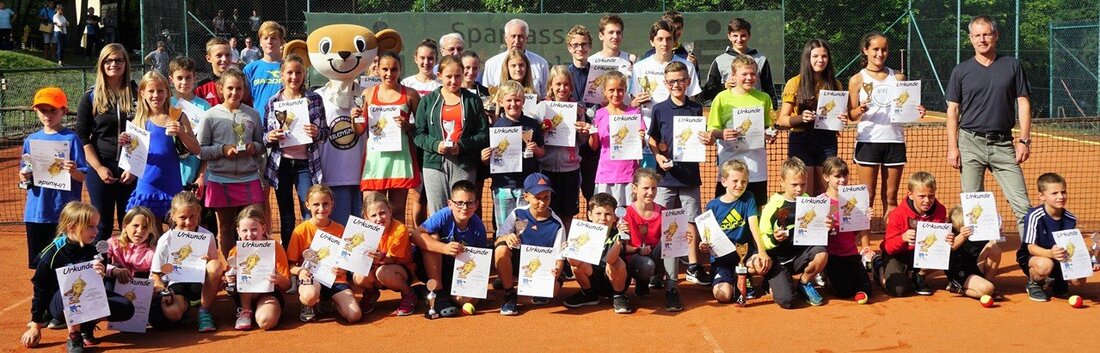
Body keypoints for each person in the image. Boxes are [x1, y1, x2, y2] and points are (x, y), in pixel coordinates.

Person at [946, 15, 1032, 230]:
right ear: (970, 38)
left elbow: (1023, 103)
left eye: (986, 34)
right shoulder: (961, 71)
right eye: (977, 35)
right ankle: (975, 258)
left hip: (1003, 144)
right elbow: (953, 110)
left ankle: (1030, 255)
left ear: (996, 36)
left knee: (1023, 206)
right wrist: (953, 147)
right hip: (970, 143)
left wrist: (1024, 140)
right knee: (972, 206)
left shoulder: (1012, 65)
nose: (982, 39)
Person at [21, 202, 135, 353]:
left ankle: (86, 328)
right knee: (75, 288)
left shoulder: (97, 251)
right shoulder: (51, 254)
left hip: (86, 296)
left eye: (96, 226)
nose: (96, 231)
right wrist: (36, 325)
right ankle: (74, 336)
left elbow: (95, 289)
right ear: (71, 227)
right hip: (59, 302)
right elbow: (40, 290)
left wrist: (99, 275)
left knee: (126, 307)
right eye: (90, 226)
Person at [848, 32, 926, 220]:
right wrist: (861, 109)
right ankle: (865, 242)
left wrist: (918, 111)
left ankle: (889, 242)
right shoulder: (857, 80)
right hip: (868, 142)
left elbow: (907, 107)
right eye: (875, 49)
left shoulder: (898, 77)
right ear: (865, 50)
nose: (880, 54)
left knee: (891, 199)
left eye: (884, 49)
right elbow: (851, 115)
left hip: (895, 141)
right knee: (867, 197)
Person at [646, 61, 708, 286]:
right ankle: (658, 269)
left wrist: (705, 139)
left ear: (688, 81)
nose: (677, 84)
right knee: (662, 220)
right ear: (665, 83)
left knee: (691, 220)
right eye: (672, 81)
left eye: (681, 80)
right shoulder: (658, 109)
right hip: (665, 178)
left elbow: (700, 137)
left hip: (690, 176)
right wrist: (658, 157)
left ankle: (692, 266)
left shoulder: (696, 109)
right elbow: (652, 138)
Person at [196, 68, 265, 257]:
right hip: (220, 179)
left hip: (249, 177)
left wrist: (254, 147)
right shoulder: (210, 116)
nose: (234, 93)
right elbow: (200, 150)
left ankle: (255, 268)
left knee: (256, 225)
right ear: (220, 89)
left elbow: (262, 144)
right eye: (230, 88)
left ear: (244, 90)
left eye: (239, 89)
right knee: (225, 229)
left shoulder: (253, 115)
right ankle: (230, 271)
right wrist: (223, 149)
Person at [75, 43, 138, 242]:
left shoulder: (139, 93)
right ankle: (100, 269)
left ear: (125, 63)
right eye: (108, 60)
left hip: (132, 169)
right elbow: (83, 136)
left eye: (118, 60)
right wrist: (99, 168)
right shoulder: (90, 97)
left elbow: (147, 132)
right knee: (101, 225)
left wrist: (134, 167)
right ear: (102, 64)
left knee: (131, 223)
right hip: (101, 168)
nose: (113, 64)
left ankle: (128, 271)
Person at [21, 87, 89, 269]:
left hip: (64, 215)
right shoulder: (30, 140)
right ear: (36, 111)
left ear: (64, 111)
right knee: (40, 266)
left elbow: (82, 176)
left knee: (64, 266)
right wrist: (24, 177)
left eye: (53, 110)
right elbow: (25, 180)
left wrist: (73, 170)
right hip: (37, 213)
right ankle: (41, 297)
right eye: (43, 110)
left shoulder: (72, 139)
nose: (47, 115)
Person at [413, 55, 488, 215]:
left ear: (463, 75)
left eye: (457, 76)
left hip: (464, 164)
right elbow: (418, 134)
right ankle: (438, 240)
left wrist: (461, 147)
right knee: (437, 212)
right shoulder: (427, 101)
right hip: (434, 164)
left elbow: (483, 134)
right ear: (439, 76)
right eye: (448, 76)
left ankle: (462, 241)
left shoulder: (473, 101)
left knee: (463, 210)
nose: (453, 81)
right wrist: (435, 145)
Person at [262, 54, 323, 244]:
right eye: (289, 73)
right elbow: (265, 134)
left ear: (304, 74)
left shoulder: (314, 99)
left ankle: (309, 256)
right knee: (286, 215)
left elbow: (325, 133)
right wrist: (270, 137)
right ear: (282, 75)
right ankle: (289, 257)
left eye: (298, 72)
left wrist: (317, 132)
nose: (294, 77)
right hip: (282, 165)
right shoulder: (273, 102)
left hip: (307, 164)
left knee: (309, 211)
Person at [122, 71, 200, 220]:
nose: (156, 95)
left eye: (160, 91)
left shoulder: (178, 116)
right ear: (142, 93)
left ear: (167, 92)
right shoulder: (138, 121)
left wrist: (181, 133)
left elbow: (196, 149)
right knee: (149, 232)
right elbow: (134, 157)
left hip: (171, 183)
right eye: (151, 91)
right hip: (147, 184)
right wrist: (125, 147)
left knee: (175, 229)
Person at [778, 39, 848, 197]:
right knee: (805, 190)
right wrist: (801, 118)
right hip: (801, 140)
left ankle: (826, 222)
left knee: (825, 189)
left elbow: (839, 118)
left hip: (827, 140)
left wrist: (842, 119)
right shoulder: (795, 83)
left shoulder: (835, 84)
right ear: (807, 58)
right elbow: (782, 120)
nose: (820, 60)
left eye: (824, 56)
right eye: (815, 56)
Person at [360, 51, 422, 225]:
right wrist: (354, 117)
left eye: (394, 69)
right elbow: (359, 129)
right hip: (376, 160)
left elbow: (422, 128)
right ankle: (371, 250)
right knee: (371, 212)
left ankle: (398, 251)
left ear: (400, 69)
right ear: (377, 70)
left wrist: (408, 126)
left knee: (397, 212)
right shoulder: (368, 94)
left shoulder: (410, 95)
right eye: (385, 69)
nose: (389, 74)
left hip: (399, 159)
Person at [411, 180, 488, 318]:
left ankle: (426, 291)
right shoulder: (443, 215)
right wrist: (444, 248)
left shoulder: (478, 227)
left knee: (469, 301)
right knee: (432, 235)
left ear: (476, 205)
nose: (464, 207)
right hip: (428, 266)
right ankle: (439, 293)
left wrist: (477, 287)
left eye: (469, 203)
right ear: (450, 203)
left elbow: (481, 260)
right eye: (459, 203)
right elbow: (415, 234)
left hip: (455, 271)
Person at [758, 157, 829, 308]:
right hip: (779, 260)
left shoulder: (808, 200)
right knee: (787, 301)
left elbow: (815, 230)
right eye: (794, 184)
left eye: (803, 184)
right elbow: (762, 237)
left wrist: (827, 227)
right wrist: (775, 239)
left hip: (799, 256)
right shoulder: (772, 206)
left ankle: (805, 282)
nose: (799, 189)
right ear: (782, 182)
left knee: (821, 253)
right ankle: (771, 281)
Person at [631, 20, 702, 169]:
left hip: (679, 139)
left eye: (669, 39)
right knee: (649, 186)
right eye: (660, 39)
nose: (665, 43)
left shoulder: (687, 66)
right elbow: (632, 105)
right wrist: (636, 102)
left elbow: (692, 101)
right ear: (652, 42)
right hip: (649, 138)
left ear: (674, 42)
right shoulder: (639, 67)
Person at [491, 173, 566, 315]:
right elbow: (498, 239)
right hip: (519, 263)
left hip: (542, 269)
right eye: (537, 198)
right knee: (501, 249)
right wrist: (508, 237)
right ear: (526, 197)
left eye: (546, 197)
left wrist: (556, 271)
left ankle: (512, 285)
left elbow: (559, 257)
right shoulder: (517, 213)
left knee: (552, 292)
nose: (542, 202)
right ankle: (509, 293)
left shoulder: (557, 224)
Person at [150, 191, 223, 332]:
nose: (188, 222)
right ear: (173, 216)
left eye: (193, 216)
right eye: (183, 217)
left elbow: (214, 266)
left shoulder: (207, 236)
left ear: (199, 214)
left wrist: (208, 261)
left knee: (215, 265)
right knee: (173, 313)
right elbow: (156, 274)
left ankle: (204, 311)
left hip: (200, 285)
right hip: (176, 285)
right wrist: (164, 293)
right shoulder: (166, 240)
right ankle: (184, 308)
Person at [706, 55, 773, 206]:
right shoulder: (722, 98)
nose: (749, 78)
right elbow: (712, 130)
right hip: (729, 165)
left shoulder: (764, 98)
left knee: (755, 210)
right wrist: (722, 134)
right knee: (727, 209)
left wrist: (769, 135)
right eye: (744, 74)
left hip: (756, 168)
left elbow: (768, 127)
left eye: (753, 73)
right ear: (734, 75)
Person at [288, 185, 361, 323]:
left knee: (354, 315)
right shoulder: (300, 231)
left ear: (332, 204)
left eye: (325, 204)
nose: (321, 209)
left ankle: (328, 300)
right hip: (311, 279)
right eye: (316, 204)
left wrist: (343, 269)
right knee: (310, 295)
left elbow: (347, 259)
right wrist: (300, 271)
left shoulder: (340, 229)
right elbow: (291, 265)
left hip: (335, 279)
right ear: (307, 205)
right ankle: (308, 304)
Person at [1018, 173, 1095, 301]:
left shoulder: (1070, 219)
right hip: (1034, 257)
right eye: (1054, 193)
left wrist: (1086, 258)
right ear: (1042, 196)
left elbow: (1071, 246)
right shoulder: (1034, 216)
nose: (1061, 196)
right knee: (1045, 265)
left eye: (1063, 192)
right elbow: (1030, 248)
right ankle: (1034, 282)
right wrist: (1050, 253)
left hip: (1060, 257)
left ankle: (1058, 280)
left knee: (1079, 280)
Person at [704, 160, 770, 305]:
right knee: (723, 296)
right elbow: (707, 236)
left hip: (744, 254)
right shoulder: (712, 206)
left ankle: (744, 277)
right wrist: (704, 245)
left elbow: (754, 226)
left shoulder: (748, 198)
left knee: (761, 264)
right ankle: (728, 278)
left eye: (744, 181)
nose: (740, 185)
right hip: (721, 259)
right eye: (735, 181)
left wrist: (761, 251)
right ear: (724, 181)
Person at [874, 171, 949, 297]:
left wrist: (947, 238)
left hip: (922, 253)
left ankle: (919, 275)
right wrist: (902, 238)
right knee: (899, 290)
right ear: (910, 194)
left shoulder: (940, 210)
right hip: (899, 254)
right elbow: (888, 247)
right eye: (922, 196)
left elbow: (938, 243)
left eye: (931, 196)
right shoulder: (897, 214)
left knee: (950, 252)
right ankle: (879, 266)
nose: (927, 201)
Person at [480, 80, 544, 228]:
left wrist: (536, 149)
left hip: (526, 185)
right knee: (504, 227)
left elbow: (542, 152)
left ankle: (521, 252)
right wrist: (484, 157)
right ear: (501, 102)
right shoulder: (495, 126)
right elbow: (488, 160)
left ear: (523, 101)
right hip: (502, 185)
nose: (513, 104)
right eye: (509, 100)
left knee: (525, 227)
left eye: (517, 100)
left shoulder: (532, 124)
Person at [621, 168, 684, 311]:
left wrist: (683, 237)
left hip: (657, 256)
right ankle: (642, 283)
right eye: (646, 188)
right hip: (636, 259)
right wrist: (638, 249)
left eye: (654, 188)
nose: (650, 192)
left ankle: (672, 290)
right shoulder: (625, 214)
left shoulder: (664, 211)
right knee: (646, 265)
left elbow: (670, 241)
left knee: (672, 240)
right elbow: (623, 247)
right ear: (635, 188)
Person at [562, 192, 632, 313]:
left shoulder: (618, 234)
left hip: (613, 280)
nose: (603, 218)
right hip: (593, 279)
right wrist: (570, 252)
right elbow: (574, 262)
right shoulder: (582, 233)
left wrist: (620, 241)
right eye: (598, 213)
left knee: (616, 263)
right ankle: (589, 294)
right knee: (576, 267)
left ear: (615, 217)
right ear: (589, 215)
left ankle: (619, 296)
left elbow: (610, 260)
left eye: (608, 214)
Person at [541, 66, 592, 229]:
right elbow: (532, 135)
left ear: (571, 87)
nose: (562, 88)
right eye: (558, 84)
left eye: (566, 84)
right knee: (547, 212)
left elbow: (582, 141)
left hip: (571, 170)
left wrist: (584, 132)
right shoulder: (542, 107)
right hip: (547, 169)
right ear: (550, 86)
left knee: (568, 214)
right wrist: (541, 130)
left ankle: (564, 250)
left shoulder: (578, 109)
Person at [224, 205, 290, 331]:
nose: (250, 235)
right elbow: (229, 289)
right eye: (244, 231)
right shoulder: (235, 251)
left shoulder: (275, 248)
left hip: (269, 294)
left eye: (254, 229)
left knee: (266, 321)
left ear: (263, 228)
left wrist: (278, 279)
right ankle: (245, 310)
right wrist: (230, 279)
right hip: (245, 296)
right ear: (238, 231)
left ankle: (263, 311)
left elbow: (287, 285)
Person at [819, 157, 873, 304]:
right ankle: (824, 274)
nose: (842, 180)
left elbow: (854, 233)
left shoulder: (854, 201)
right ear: (826, 177)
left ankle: (876, 264)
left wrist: (864, 219)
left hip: (851, 254)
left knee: (866, 290)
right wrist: (827, 229)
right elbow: (815, 236)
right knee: (844, 291)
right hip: (831, 256)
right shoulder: (820, 202)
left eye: (844, 175)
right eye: (837, 176)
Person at [355, 192, 418, 316]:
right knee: (359, 276)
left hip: (401, 271)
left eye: (382, 212)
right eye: (373, 215)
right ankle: (371, 293)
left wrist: (380, 258)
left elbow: (390, 259)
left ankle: (409, 294)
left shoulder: (400, 229)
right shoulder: (363, 232)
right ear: (366, 217)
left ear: (390, 211)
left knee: (383, 272)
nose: (379, 219)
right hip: (378, 269)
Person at [589, 70, 644, 207]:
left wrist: (641, 138)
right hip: (606, 174)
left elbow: (640, 146)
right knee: (605, 215)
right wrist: (592, 132)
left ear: (625, 90)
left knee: (627, 217)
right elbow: (594, 146)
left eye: (620, 90)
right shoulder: (600, 114)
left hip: (629, 174)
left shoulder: (634, 113)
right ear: (605, 92)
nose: (616, 94)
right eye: (611, 90)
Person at [701, 18, 776, 106]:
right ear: (729, 36)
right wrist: (724, 86)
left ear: (749, 36)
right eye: (735, 36)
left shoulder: (761, 59)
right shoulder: (719, 61)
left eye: (743, 35)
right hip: (729, 108)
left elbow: (769, 89)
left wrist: (773, 110)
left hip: (754, 108)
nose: (739, 39)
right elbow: (708, 92)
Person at [565, 25, 601, 204]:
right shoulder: (564, 74)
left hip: (593, 139)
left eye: (584, 44)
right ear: (569, 47)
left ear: (590, 47)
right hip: (569, 140)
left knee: (591, 191)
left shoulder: (598, 75)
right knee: (569, 191)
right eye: (576, 45)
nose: (580, 48)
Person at [168, 57, 213, 192]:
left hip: (194, 176)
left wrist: (201, 176)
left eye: (188, 77)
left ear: (195, 78)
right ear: (171, 79)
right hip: (170, 175)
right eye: (179, 78)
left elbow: (208, 147)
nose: (184, 82)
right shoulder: (166, 105)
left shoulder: (205, 107)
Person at [482, 19, 550, 98]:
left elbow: (545, 96)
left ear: (527, 39)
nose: (517, 41)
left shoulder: (541, 64)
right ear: (506, 38)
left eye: (520, 36)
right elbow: (486, 96)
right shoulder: (492, 64)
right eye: (513, 36)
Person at [945, 205, 998, 301]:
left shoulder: (977, 230)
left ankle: (988, 282)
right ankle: (957, 288)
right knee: (987, 289)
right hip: (959, 271)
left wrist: (996, 233)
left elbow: (991, 243)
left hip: (975, 265)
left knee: (994, 248)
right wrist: (962, 236)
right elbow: (950, 248)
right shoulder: (950, 233)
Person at [244, 21, 286, 121]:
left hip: (287, 124)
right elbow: (244, 100)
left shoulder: (289, 67)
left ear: (281, 42)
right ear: (260, 42)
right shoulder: (250, 69)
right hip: (259, 125)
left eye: (274, 38)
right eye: (265, 38)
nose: (269, 41)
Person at [194, 37, 240, 106]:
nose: (224, 59)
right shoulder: (201, 88)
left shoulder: (240, 85)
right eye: (219, 55)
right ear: (209, 58)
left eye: (228, 55)